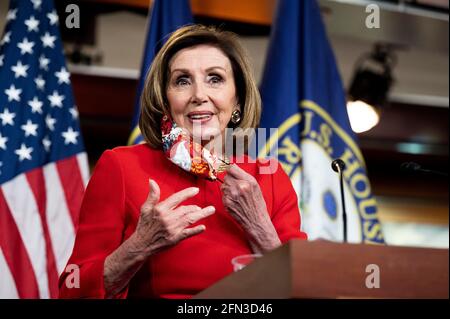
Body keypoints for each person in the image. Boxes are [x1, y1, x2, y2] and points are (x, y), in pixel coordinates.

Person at [59, 24, 307, 299]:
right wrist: (138, 247)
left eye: (215, 78)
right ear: (164, 101)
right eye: (182, 81)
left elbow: (304, 292)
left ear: (237, 99)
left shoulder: (269, 176)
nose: (199, 95)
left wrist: (261, 229)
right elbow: (72, 289)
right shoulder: (121, 166)